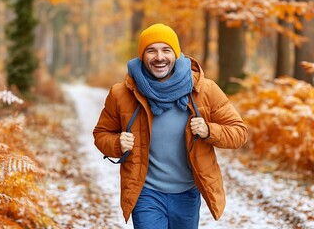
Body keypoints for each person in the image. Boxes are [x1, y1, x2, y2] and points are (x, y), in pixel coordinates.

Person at [93, 23, 248, 229]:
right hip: (146, 193)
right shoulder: (121, 94)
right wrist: (116, 143)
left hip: (187, 193)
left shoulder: (204, 90)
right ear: (142, 55)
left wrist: (209, 131)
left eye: (166, 50)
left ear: (176, 54)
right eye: (151, 50)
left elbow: (239, 132)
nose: (159, 57)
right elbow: (101, 134)